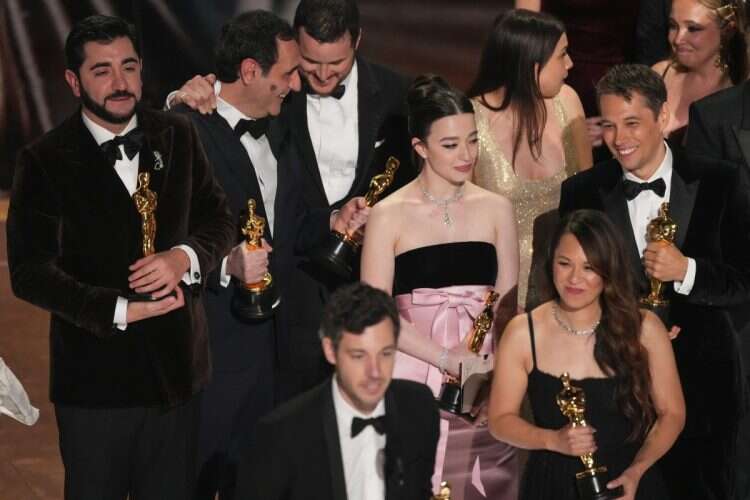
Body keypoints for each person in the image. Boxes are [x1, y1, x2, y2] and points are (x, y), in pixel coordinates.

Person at [6, 15, 235, 500]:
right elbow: (29, 273)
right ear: (73, 81)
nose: (119, 83)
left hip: (178, 380)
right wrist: (118, 309)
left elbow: (220, 220)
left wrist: (184, 256)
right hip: (95, 389)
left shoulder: (178, 135)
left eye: (128, 67)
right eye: (102, 70)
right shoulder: (44, 160)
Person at [170, 0, 415, 404]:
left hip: (368, 282)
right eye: (309, 62)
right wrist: (178, 98)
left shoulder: (396, 94)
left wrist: (338, 218)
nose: (317, 76)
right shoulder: (276, 92)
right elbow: (218, 107)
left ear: (358, 41)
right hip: (288, 295)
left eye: (335, 63)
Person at [170, 11, 368, 499]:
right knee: (196, 480)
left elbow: (291, 223)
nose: (297, 86)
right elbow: (160, 239)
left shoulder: (278, 129)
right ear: (251, 71)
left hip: (279, 357)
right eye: (288, 73)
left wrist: (330, 221)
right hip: (213, 353)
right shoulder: (185, 131)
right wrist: (226, 267)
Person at [559, 63, 750, 500]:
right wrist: (627, 326)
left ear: (662, 118)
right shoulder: (581, 192)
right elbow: (570, 286)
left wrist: (688, 272)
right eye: (608, 125)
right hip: (615, 379)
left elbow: (744, 277)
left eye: (632, 123)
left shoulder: (721, 180)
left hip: (703, 379)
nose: (619, 139)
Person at [361, 74, 520, 499]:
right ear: (420, 148)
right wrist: (447, 357)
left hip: (481, 377)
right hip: (414, 371)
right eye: (450, 145)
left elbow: (507, 306)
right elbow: (376, 312)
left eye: (471, 140)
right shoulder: (389, 214)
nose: (466, 155)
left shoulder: (496, 208)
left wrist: (491, 376)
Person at [489, 209, 684, 499]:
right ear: (550, 262)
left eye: (589, 267)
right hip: (552, 484)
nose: (574, 279)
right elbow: (500, 420)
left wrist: (638, 470)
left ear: (609, 270)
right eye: (565, 263)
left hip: (629, 483)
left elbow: (673, 413)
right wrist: (552, 440)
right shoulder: (522, 332)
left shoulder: (645, 329)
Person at [234, 282, 440, 500]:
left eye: (385, 354)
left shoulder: (418, 408)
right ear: (330, 351)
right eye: (359, 356)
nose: (375, 372)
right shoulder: (282, 434)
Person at [468, 9, 592, 310]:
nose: (570, 64)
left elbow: (591, 200)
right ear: (532, 65)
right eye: (562, 55)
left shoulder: (568, 101)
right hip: (498, 295)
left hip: (566, 291)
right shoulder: (470, 121)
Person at [652, 0, 748, 145]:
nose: (678, 39)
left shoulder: (740, 90)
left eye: (693, 29)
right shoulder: (659, 75)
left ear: (727, 30)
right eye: (673, 26)